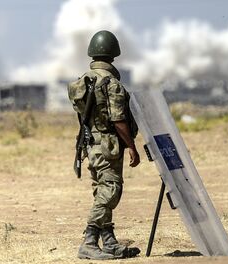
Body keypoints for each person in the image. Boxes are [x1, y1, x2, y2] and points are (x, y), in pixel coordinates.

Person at [71, 30, 141, 260]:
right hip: (109, 146)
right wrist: (131, 146)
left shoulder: (83, 82)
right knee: (110, 190)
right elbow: (118, 119)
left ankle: (108, 241)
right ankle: (89, 241)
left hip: (91, 145)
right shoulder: (111, 84)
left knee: (101, 190)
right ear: (114, 54)